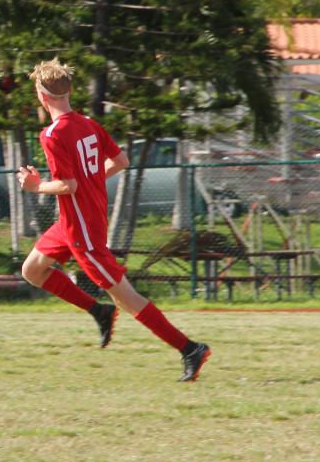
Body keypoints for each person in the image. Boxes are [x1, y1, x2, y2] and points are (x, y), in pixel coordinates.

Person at [16, 59, 211, 381]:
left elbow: (69, 185)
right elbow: (120, 161)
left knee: (127, 297)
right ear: (69, 91)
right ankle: (99, 311)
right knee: (32, 270)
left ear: (41, 94)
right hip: (75, 220)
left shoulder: (52, 134)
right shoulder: (88, 123)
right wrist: (88, 181)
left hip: (82, 228)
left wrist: (36, 187)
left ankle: (190, 348)